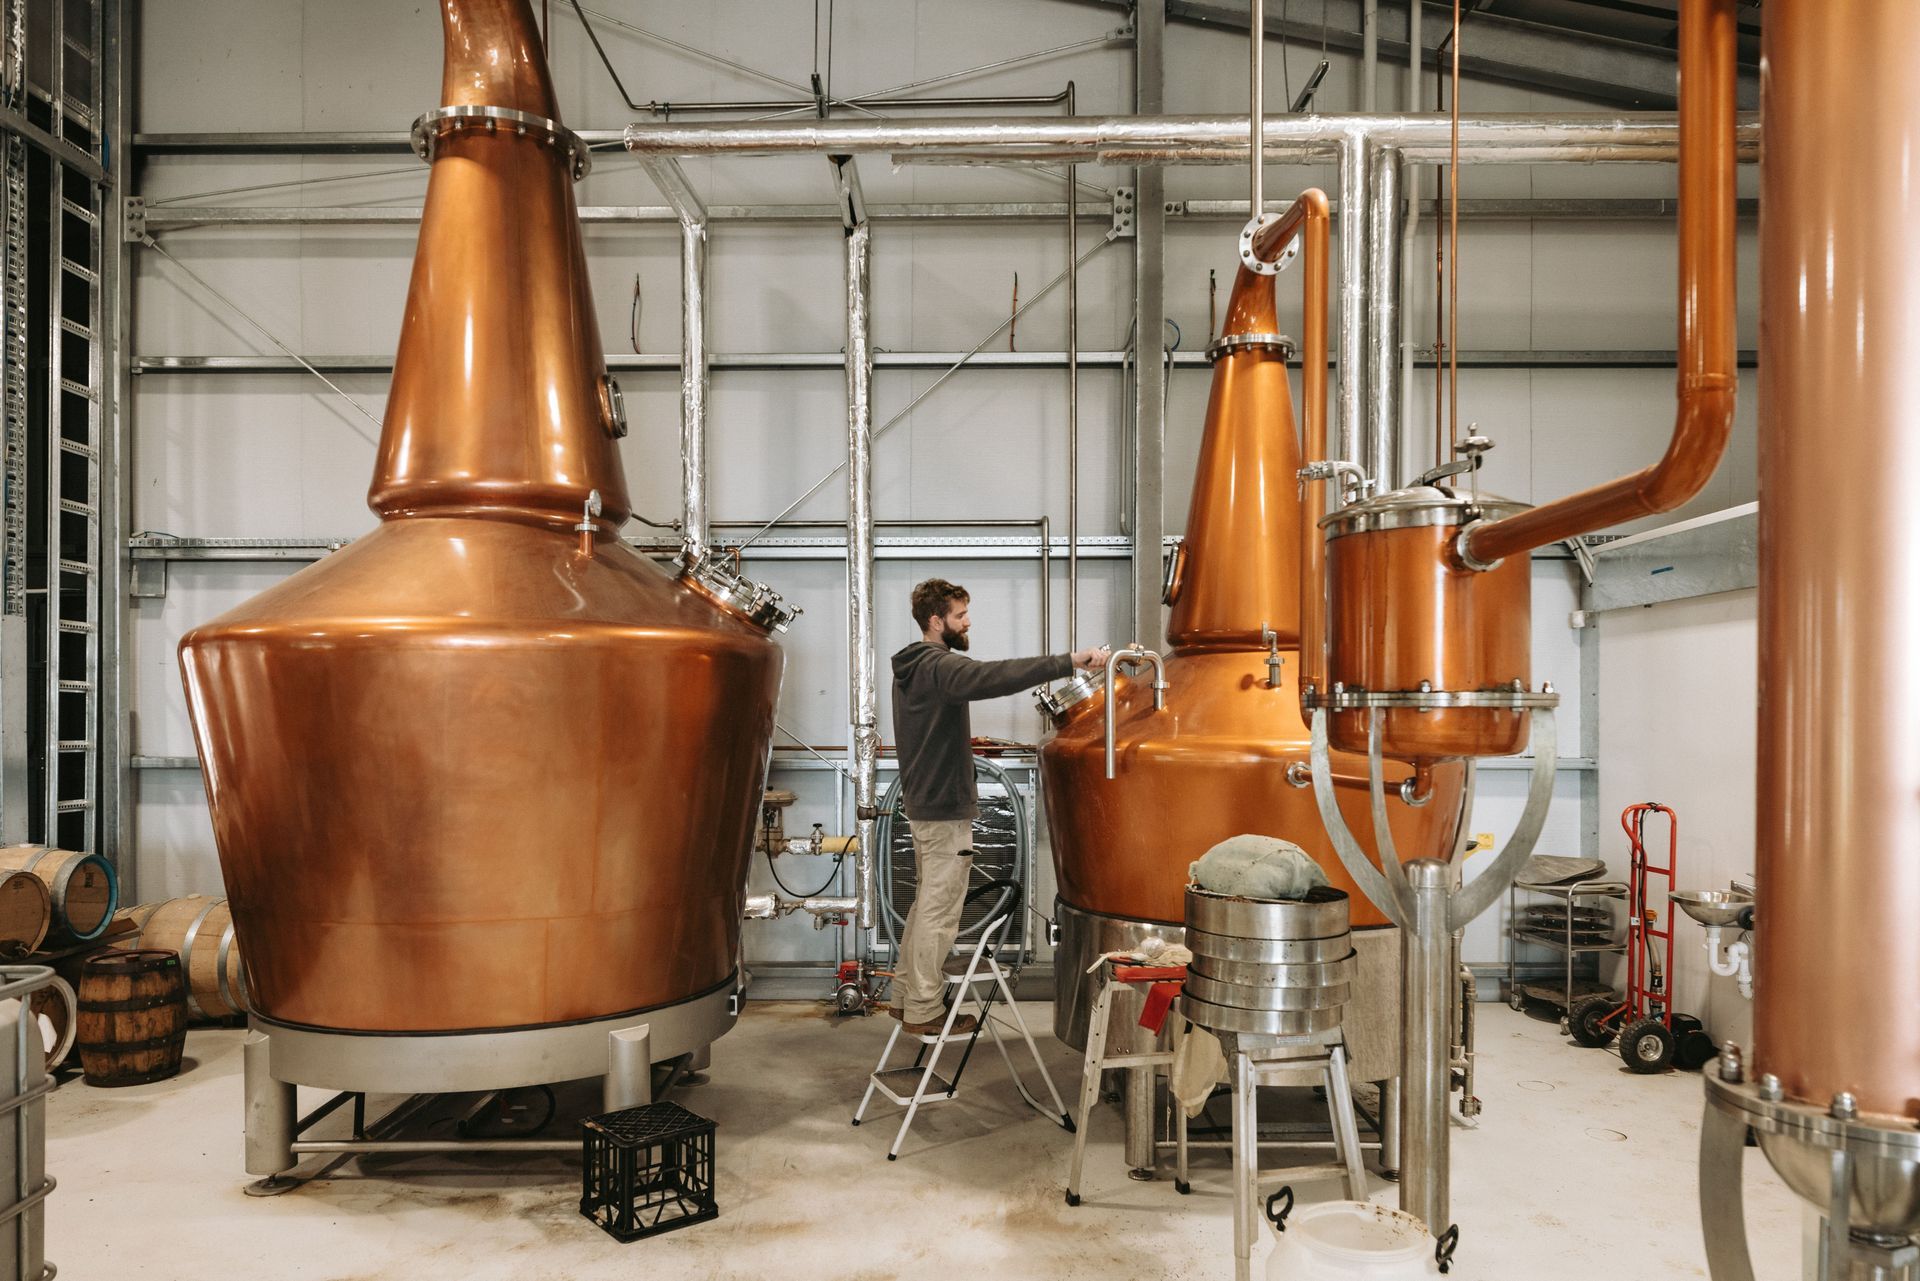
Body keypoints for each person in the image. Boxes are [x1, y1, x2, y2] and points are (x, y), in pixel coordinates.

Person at [889, 578, 1109, 1035]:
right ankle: (925, 1010)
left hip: (928, 803)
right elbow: (993, 676)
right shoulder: (937, 666)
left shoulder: (917, 669)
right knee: (939, 909)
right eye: (960, 615)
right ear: (936, 621)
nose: (968, 622)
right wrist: (1069, 661)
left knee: (926, 904)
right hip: (943, 808)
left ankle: (906, 997)